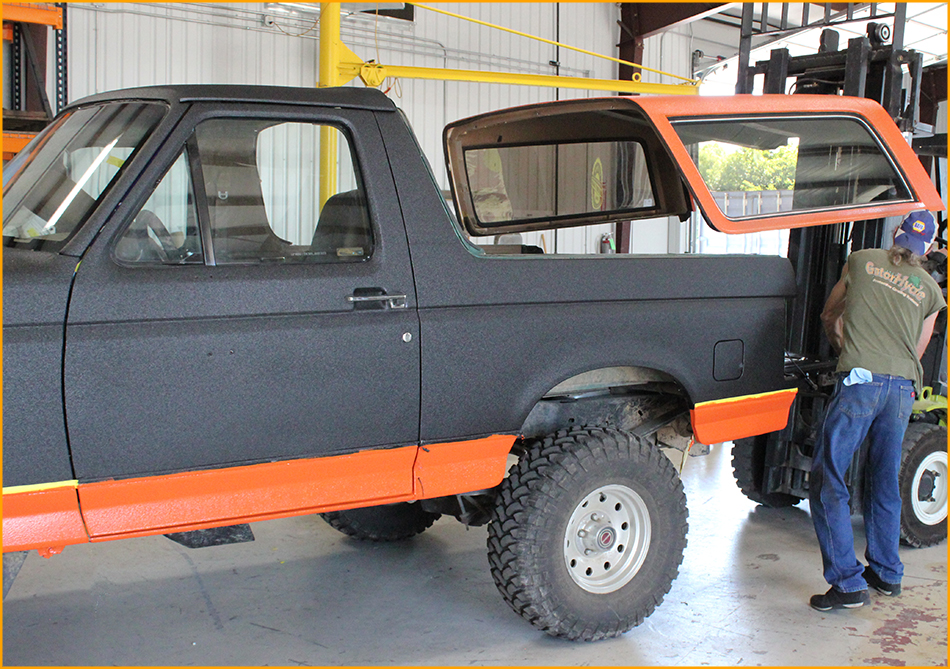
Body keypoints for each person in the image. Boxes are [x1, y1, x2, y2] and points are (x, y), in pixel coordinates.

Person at [808, 210, 946, 611]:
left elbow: (830, 314)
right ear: (929, 249)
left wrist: (843, 350)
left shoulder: (862, 260)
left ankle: (848, 584)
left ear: (895, 233)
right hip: (901, 390)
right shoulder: (932, 293)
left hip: (860, 383)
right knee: (884, 481)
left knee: (829, 478)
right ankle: (886, 573)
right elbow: (916, 354)